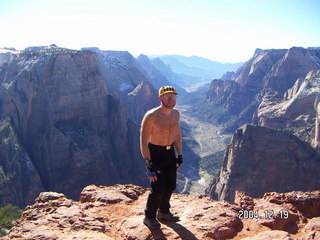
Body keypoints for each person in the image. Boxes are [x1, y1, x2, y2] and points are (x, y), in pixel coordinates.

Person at [140, 86, 183, 229]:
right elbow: (143, 142)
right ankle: (149, 216)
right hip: (156, 154)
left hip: (170, 153)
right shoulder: (151, 116)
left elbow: (177, 135)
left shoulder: (176, 114)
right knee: (158, 188)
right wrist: (149, 164)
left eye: (173, 96)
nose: (171, 99)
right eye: (167, 96)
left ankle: (164, 212)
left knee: (170, 185)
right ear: (160, 98)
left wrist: (180, 155)